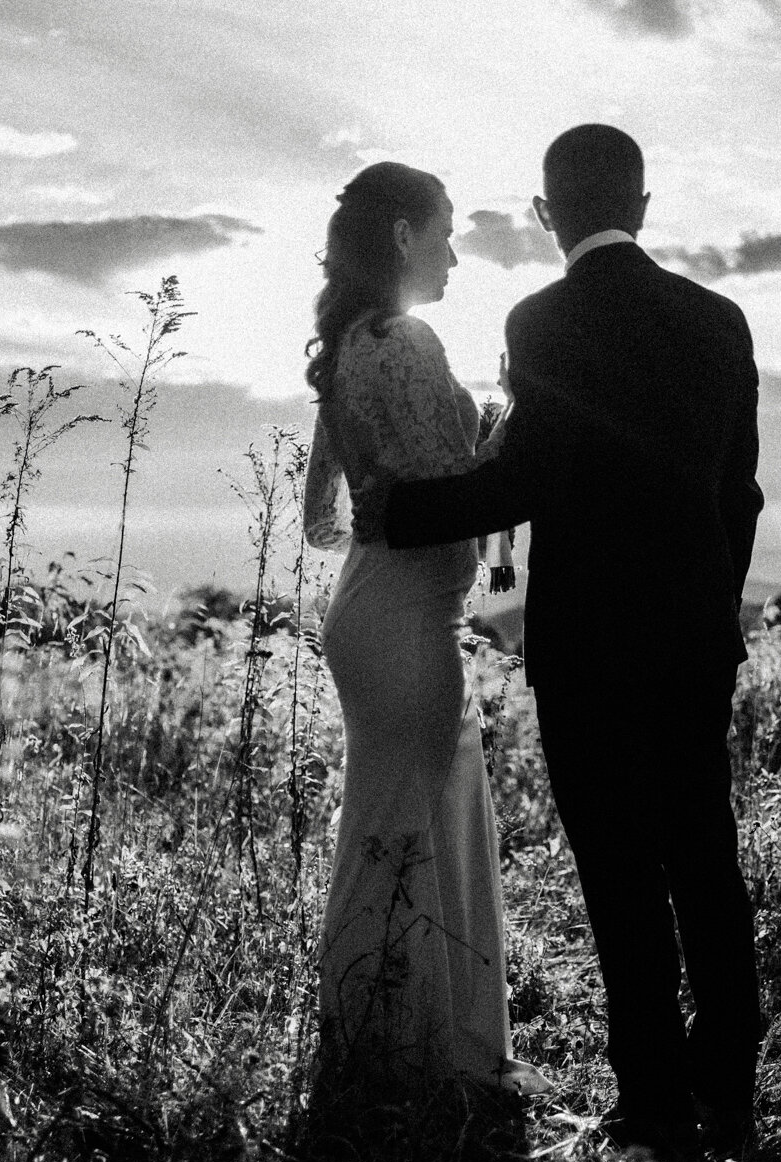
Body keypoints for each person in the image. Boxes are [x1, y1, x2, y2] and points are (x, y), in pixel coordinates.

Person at [353, 125, 765, 1159]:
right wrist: (715, 602)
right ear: (644, 201)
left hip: (586, 640)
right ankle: (728, 1082)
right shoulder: (720, 320)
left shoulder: (541, 320)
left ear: (545, 214)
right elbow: (739, 492)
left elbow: (526, 480)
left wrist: (393, 518)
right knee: (702, 849)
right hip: (694, 631)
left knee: (617, 863)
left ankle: (654, 1101)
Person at [300, 161, 546, 1101]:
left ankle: (375, 1040)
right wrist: (508, 421)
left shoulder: (350, 342)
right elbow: (455, 496)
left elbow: (327, 519)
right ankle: (413, 1059)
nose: (455, 254)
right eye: (446, 232)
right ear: (404, 235)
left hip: (371, 605)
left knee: (395, 814)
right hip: (406, 618)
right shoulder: (407, 342)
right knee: (408, 820)